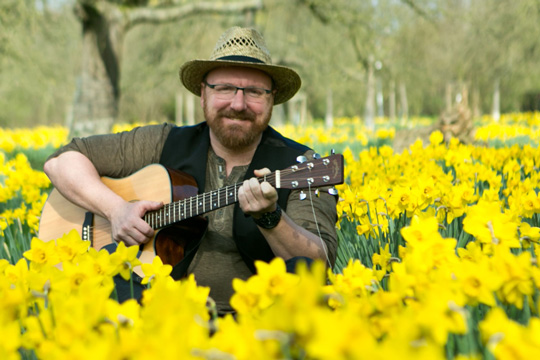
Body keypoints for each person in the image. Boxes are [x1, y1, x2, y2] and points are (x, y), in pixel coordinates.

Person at [43, 26, 338, 316]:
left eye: (254, 92)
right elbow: (61, 162)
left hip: (256, 323)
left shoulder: (302, 165)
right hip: (159, 318)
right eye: (224, 88)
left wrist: (272, 218)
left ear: (272, 99)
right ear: (203, 94)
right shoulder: (161, 142)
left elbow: (317, 265)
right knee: (110, 279)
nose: (238, 103)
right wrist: (115, 210)